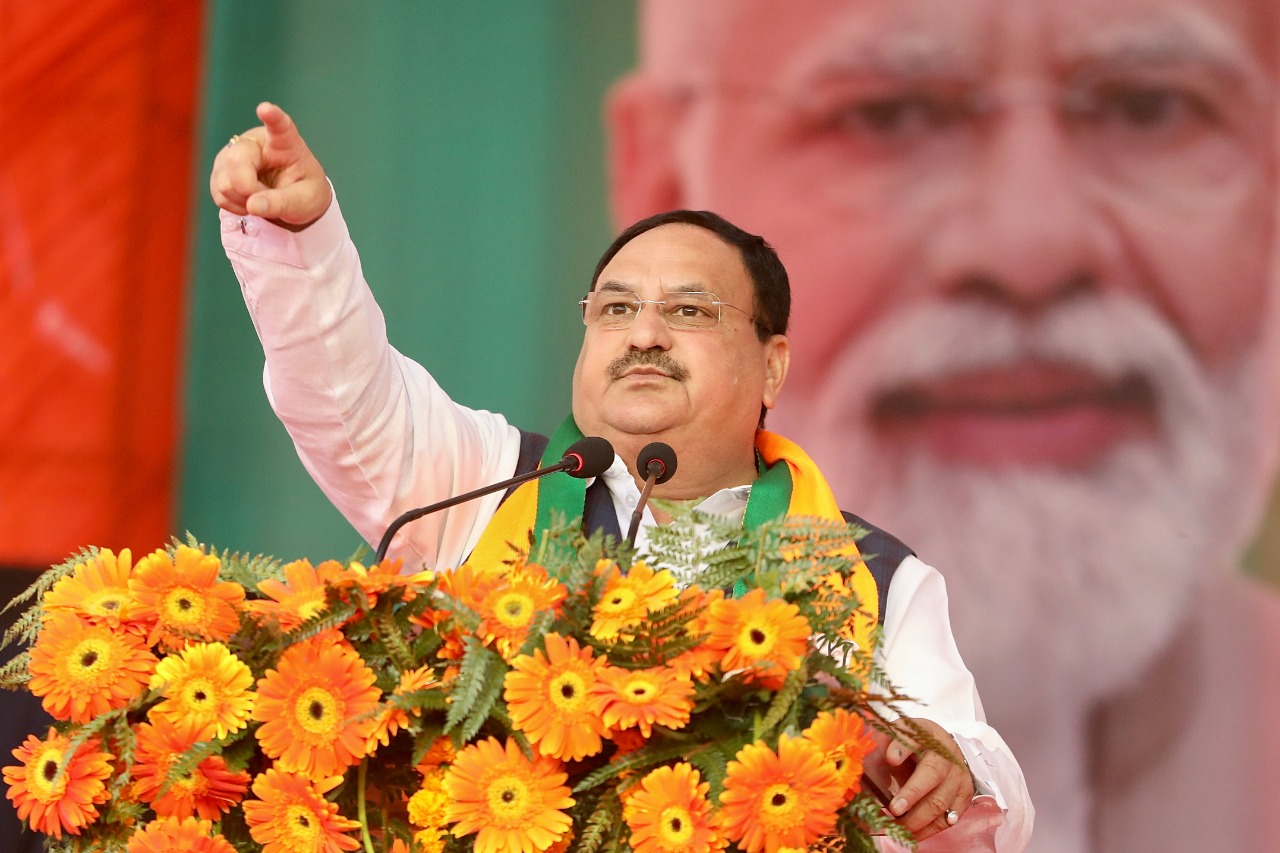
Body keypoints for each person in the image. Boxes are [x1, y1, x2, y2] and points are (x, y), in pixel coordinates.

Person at [210, 102, 1033, 849]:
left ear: (771, 366)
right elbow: (341, 393)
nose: (644, 333)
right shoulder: (491, 484)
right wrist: (302, 236)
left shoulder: (874, 575)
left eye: (689, 310)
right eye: (613, 307)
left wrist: (949, 760)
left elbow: (975, 764)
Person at [605, 1, 1280, 851]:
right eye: (891, 113)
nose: (1030, 247)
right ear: (665, 186)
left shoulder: (901, 587)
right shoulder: (555, 623)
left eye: (1149, 105)